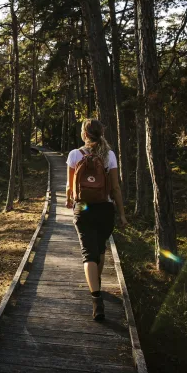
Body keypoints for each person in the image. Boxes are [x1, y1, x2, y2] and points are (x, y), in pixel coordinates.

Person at [65, 119, 127, 321]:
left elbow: (69, 186)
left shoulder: (75, 154)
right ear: (101, 133)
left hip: (83, 206)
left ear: (84, 134)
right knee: (100, 249)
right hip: (105, 207)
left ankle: (96, 299)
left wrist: (69, 201)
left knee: (88, 253)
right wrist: (122, 214)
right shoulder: (109, 155)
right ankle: (96, 281)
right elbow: (116, 187)